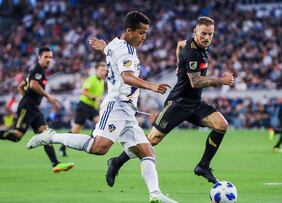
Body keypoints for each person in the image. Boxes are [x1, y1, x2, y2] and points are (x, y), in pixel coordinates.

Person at [27, 11, 178, 203]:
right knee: (98, 147)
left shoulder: (115, 44)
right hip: (116, 105)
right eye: (141, 32)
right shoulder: (127, 51)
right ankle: (51, 136)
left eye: (146, 32)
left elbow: (110, 51)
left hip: (128, 110)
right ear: (129, 31)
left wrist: (103, 47)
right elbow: (127, 76)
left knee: (147, 152)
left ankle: (155, 195)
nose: (144, 37)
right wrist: (151, 85)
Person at [92, 16, 234, 187]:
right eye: (203, 34)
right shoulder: (192, 52)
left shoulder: (191, 44)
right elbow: (195, 82)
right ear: (195, 32)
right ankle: (116, 162)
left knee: (221, 124)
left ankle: (203, 166)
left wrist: (178, 64)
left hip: (195, 103)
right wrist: (222, 80)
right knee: (151, 140)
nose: (207, 38)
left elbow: (180, 44)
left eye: (210, 34)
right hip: (178, 103)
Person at [0, 47, 74, 173]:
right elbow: (33, 85)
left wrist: (27, 96)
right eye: (46, 57)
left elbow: (21, 86)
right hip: (28, 108)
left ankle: (55, 163)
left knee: (45, 134)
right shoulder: (38, 69)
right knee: (17, 136)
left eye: (50, 57)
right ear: (39, 57)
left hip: (33, 107)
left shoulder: (35, 70)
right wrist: (48, 96)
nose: (48, 60)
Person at [59, 62, 107, 156]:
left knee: (100, 122)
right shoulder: (92, 79)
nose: (103, 72)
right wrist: (93, 98)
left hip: (92, 107)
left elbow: (98, 97)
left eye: (104, 70)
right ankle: (62, 147)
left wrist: (98, 103)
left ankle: (91, 141)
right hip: (83, 105)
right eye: (101, 70)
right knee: (76, 130)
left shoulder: (101, 81)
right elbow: (83, 91)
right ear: (96, 70)